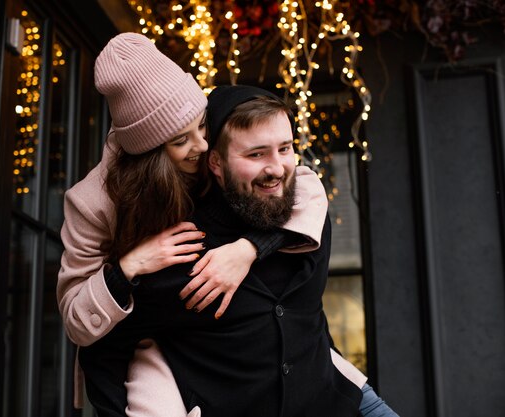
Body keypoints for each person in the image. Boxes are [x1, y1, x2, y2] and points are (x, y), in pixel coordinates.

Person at [58, 33, 392, 417]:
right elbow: (80, 322)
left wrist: (247, 250)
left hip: (311, 379)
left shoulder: (210, 155)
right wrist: (130, 266)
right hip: (152, 351)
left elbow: (303, 187)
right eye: (181, 139)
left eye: (202, 125)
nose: (201, 146)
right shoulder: (95, 203)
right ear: (151, 151)